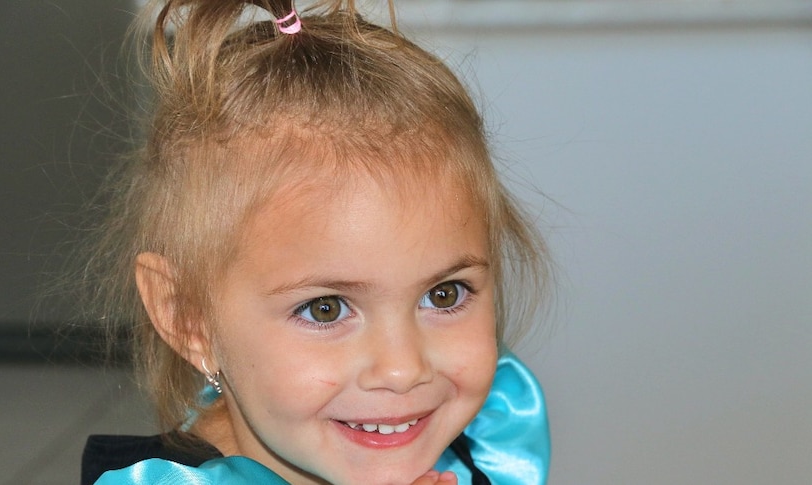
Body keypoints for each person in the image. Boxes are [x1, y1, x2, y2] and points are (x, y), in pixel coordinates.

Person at [79, 1, 552, 483]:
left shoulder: (487, 445)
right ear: (189, 317)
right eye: (325, 308)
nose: (403, 369)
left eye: (444, 294)